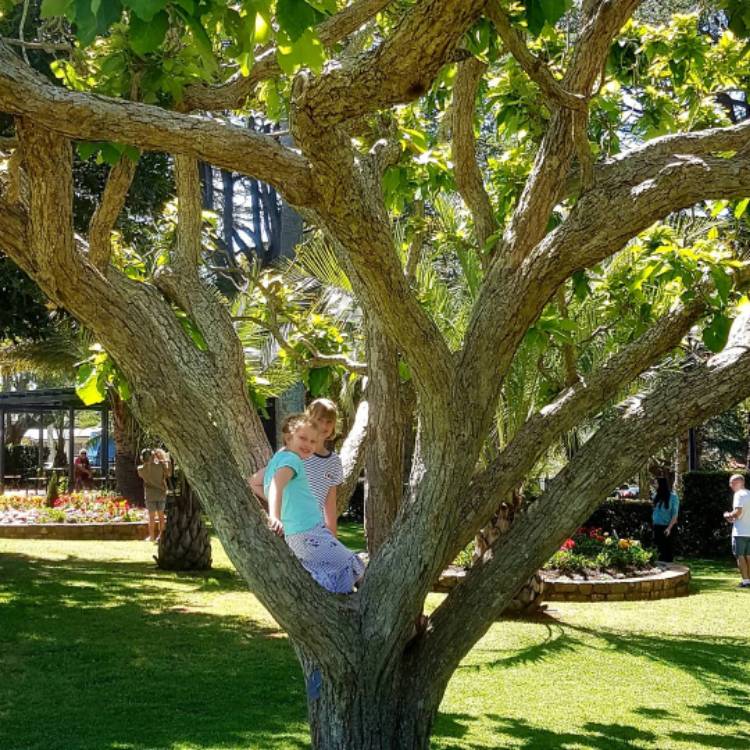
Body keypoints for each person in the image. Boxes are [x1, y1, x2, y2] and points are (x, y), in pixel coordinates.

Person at [264, 413, 363, 594]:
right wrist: (275, 517)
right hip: (308, 531)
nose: (308, 445)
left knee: (332, 572)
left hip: (300, 533)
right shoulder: (291, 460)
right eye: (302, 438)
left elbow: (263, 484)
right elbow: (276, 485)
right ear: (288, 437)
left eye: (312, 441)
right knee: (352, 565)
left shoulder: (277, 460)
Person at [251, 397, 344, 537]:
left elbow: (329, 504)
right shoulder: (293, 455)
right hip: (292, 529)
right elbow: (255, 482)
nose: (324, 426)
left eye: (329, 422)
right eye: (319, 419)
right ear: (309, 419)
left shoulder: (334, 462)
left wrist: (333, 537)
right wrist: (286, 507)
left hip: (314, 528)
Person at [724, 474, 750, 588]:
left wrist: (728, 514)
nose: (730, 486)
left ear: (738, 483)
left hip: (740, 532)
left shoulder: (738, 494)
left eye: (732, 483)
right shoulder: (749, 493)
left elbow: (738, 512)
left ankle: (745, 581)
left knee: (740, 556)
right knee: (749, 556)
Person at [138, 448, 167, 543]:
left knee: (151, 517)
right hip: (161, 494)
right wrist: (160, 457)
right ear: (152, 456)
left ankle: (151, 537)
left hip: (150, 495)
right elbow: (167, 473)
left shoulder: (140, 469)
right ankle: (161, 536)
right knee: (161, 516)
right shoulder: (160, 466)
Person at [651, 476, 679, 563]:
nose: (654, 485)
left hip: (668, 528)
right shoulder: (655, 497)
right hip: (657, 528)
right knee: (658, 554)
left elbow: (674, 515)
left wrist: (669, 528)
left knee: (667, 554)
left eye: (656, 483)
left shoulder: (673, 497)